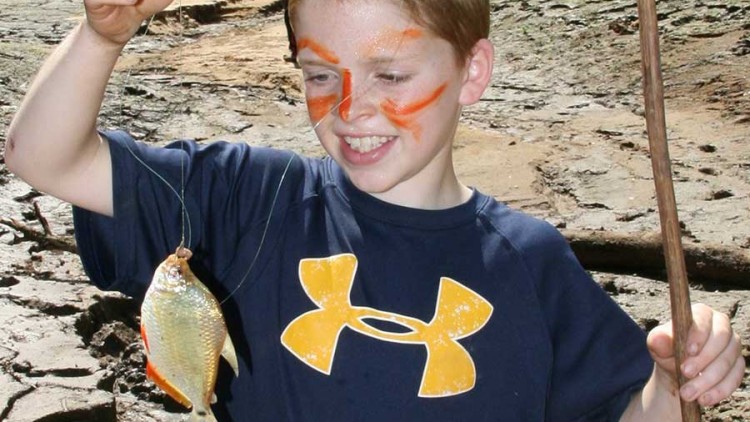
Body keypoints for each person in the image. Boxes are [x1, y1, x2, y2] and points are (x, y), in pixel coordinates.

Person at [6, 0, 744, 420]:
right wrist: (103, 34)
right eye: (321, 74)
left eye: (391, 73)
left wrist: (677, 380)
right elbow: (47, 159)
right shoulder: (246, 197)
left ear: (471, 73)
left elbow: (630, 415)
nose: (352, 110)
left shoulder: (531, 261)